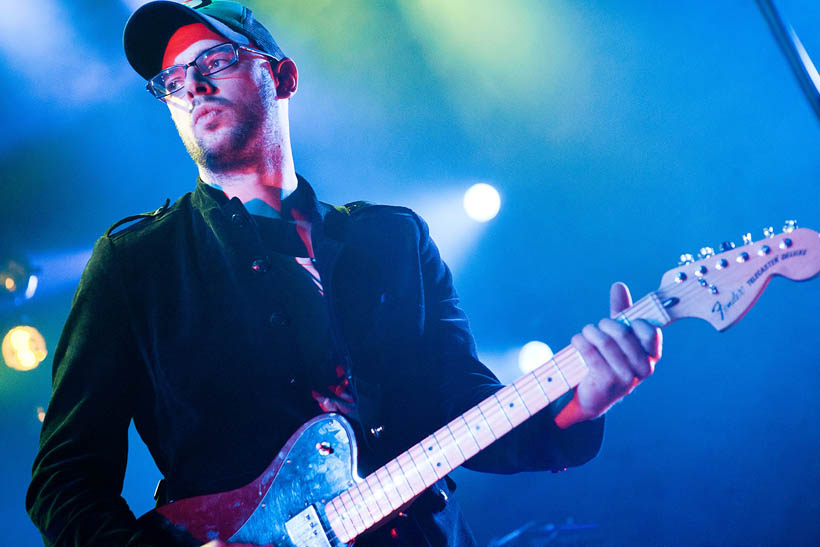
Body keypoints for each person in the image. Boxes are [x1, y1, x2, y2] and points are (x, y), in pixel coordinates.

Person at [26, 1, 661, 545]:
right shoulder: (137, 265)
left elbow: (461, 405)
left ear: (281, 75)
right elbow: (64, 480)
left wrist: (584, 399)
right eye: (172, 80)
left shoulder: (394, 239)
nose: (192, 86)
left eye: (214, 61)